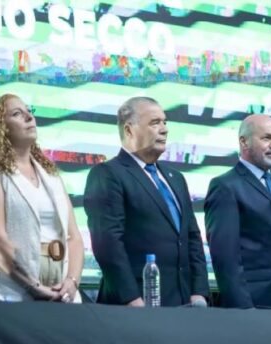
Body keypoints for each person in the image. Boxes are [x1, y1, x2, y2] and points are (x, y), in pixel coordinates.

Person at [83, 96, 209, 306]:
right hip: (136, 305)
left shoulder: (176, 178)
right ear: (129, 130)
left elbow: (192, 238)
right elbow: (108, 244)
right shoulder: (108, 174)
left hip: (184, 303)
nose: (164, 129)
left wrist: (199, 291)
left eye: (165, 122)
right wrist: (131, 299)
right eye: (155, 123)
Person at [0, 94, 84, 302]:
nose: (29, 117)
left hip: (60, 292)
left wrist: (72, 281)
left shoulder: (51, 175)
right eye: (17, 114)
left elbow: (73, 236)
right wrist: (33, 286)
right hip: (9, 293)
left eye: (29, 111)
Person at [204, 114, 271, 309]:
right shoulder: (225, 186)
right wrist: (245, 310)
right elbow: (225, 259)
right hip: (255, 306)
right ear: (244, 142)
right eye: (267, 138)